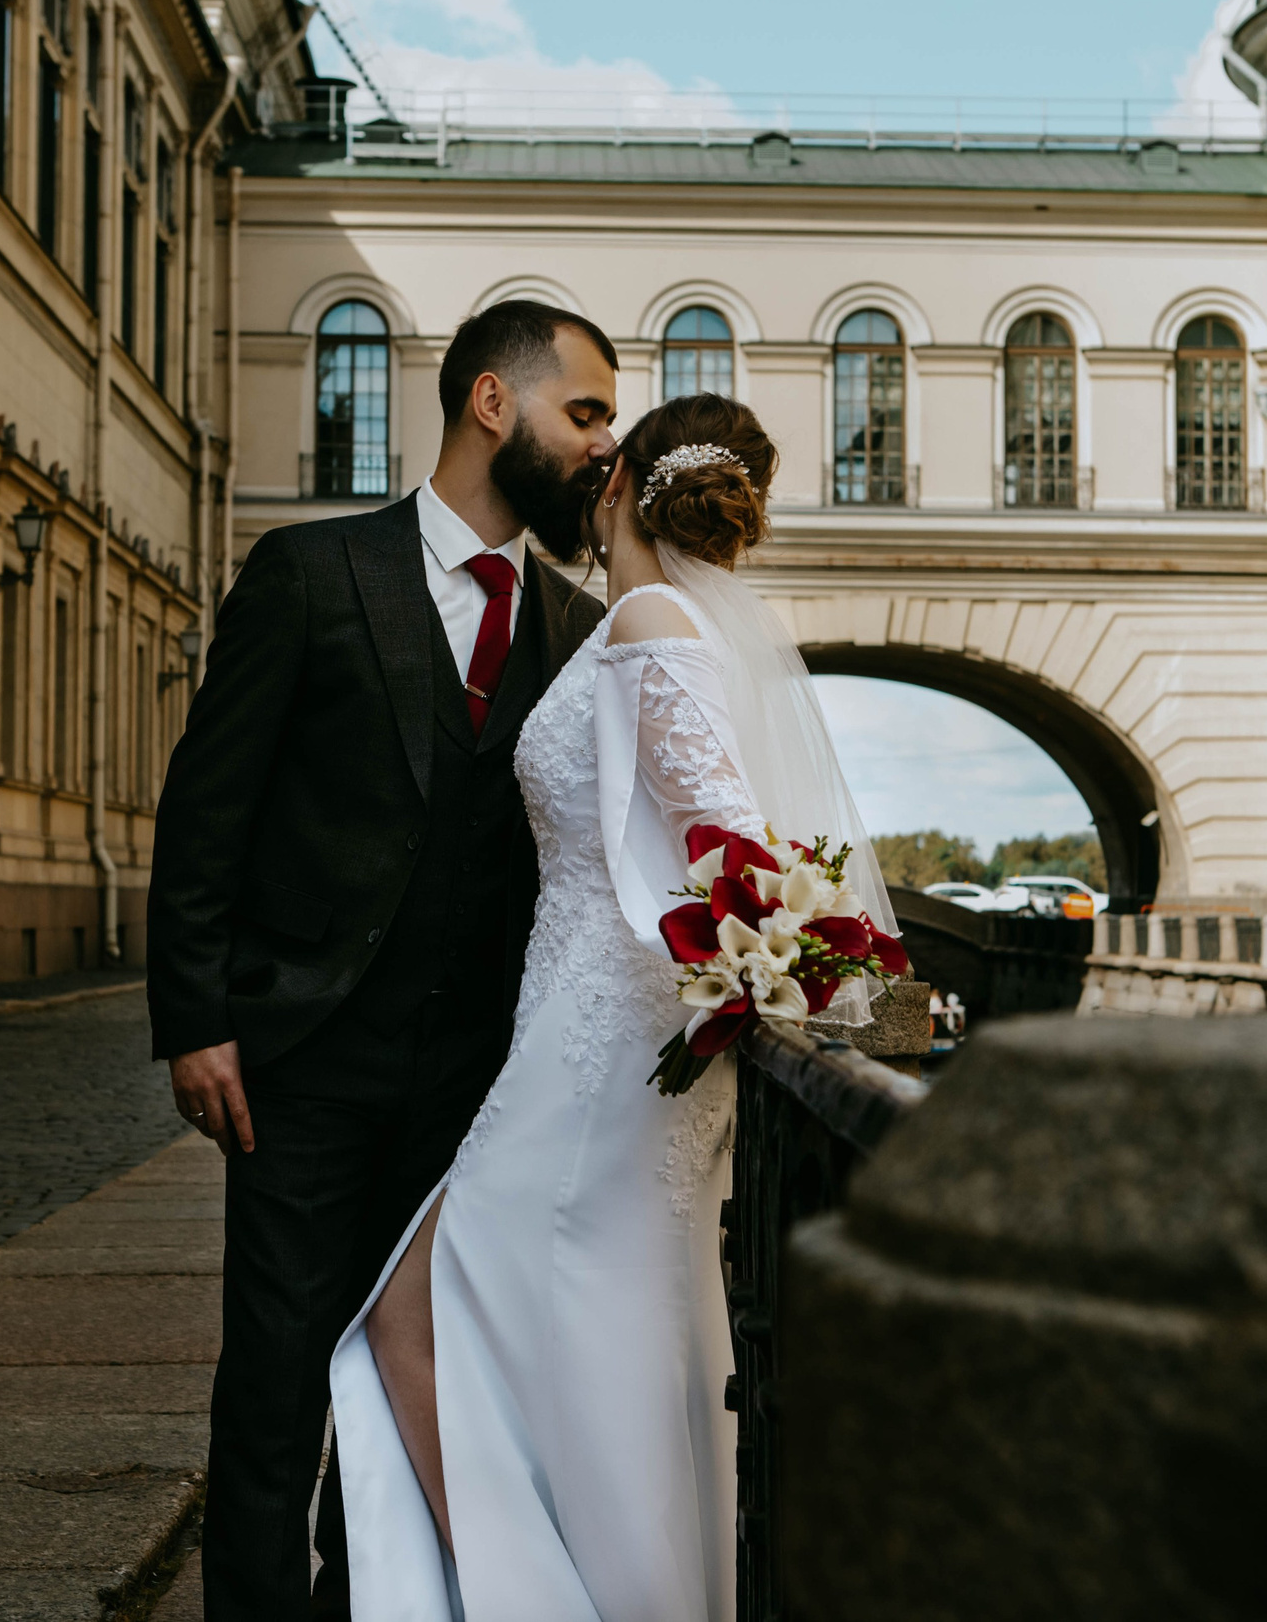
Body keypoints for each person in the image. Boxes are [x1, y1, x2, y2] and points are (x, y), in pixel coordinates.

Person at [328, 393, 898, 1621]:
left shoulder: (646, 616)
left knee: (442, 1327)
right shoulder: (647, 622)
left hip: (604, 1051)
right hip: (591, 1028)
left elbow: (732, 841)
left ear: (624, 480)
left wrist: (751, 960)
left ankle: (538, 1599)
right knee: (574, 1347)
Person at [147, 300, 614, 1619]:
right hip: (301, 1062)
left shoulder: (577, 631)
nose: (602, 441)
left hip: (475, 1090)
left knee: (418, 1388)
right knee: (279, 1381)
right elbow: (208, 813)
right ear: (490, 403)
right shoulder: (310, 572)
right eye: (582, 409)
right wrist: (198, 1018)